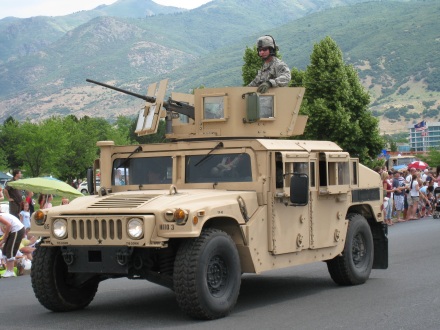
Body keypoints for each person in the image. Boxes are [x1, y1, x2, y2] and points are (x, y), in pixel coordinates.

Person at [0, 212, 25, 278]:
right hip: (12, 231)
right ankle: (8, 270)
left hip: (17, 230)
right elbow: (4, 230)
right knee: (4, 251)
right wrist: (3, 240)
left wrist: (4, 237)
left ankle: (10, 271)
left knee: (10, 250)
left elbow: (9, 225)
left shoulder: (0, 216)